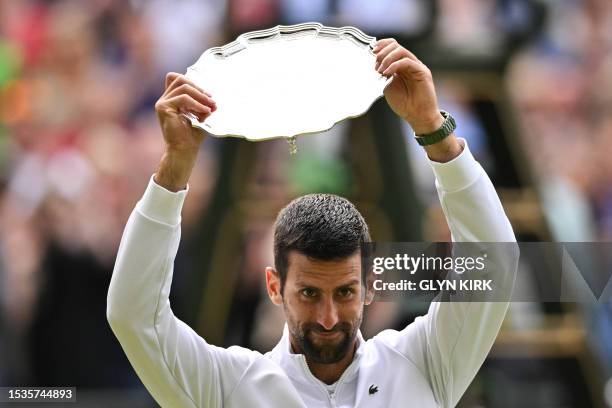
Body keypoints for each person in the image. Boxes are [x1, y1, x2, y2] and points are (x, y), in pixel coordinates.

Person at [107, 38, 517, 407]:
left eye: (344, 292)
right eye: (308, 293)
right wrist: (174, 169)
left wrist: (433, 130)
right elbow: (133, 316)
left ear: (371, 284)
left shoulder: (424, 363)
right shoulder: (227, 385)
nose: (327, 317)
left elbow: (495, 263)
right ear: (274, 287)